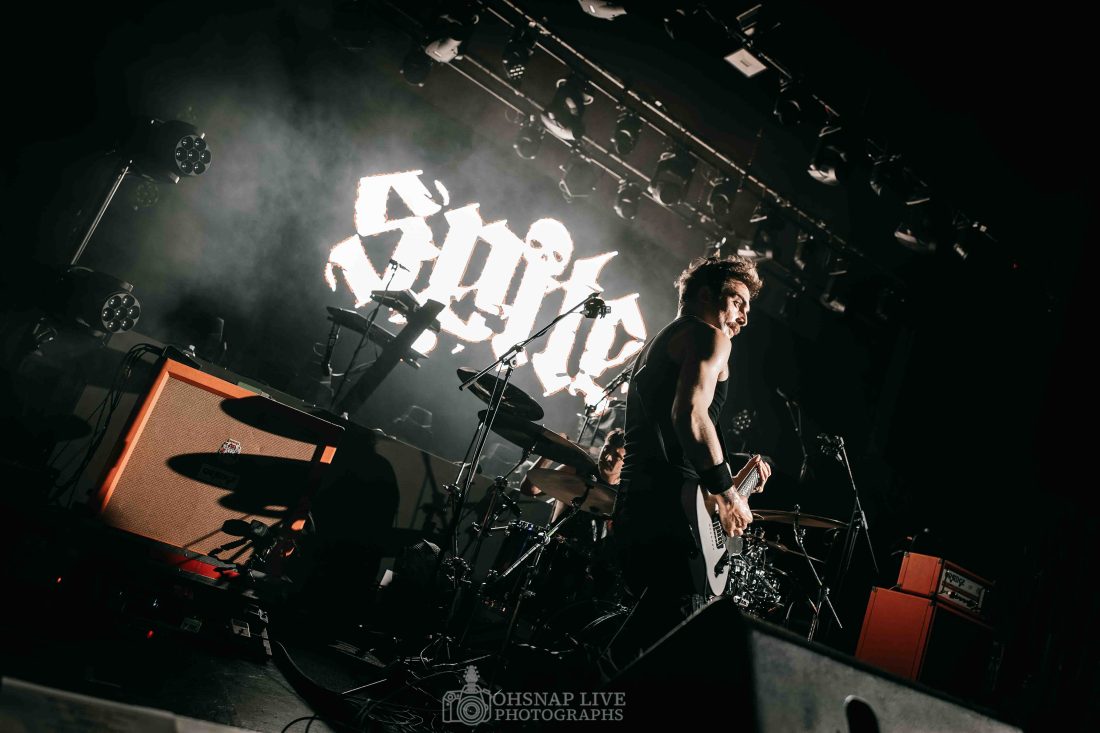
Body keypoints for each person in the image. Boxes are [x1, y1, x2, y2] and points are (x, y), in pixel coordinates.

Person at [612, 254, 772, 660]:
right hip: (669, 510)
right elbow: (690, 415)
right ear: (704, 295)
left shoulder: (659, 343)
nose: (743, 318)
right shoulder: (708, 336)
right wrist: (728, 494)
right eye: (737, 302)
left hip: (638, 502)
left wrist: (732, 474)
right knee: (669, 648)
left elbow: (675, 433)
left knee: (646, 639)